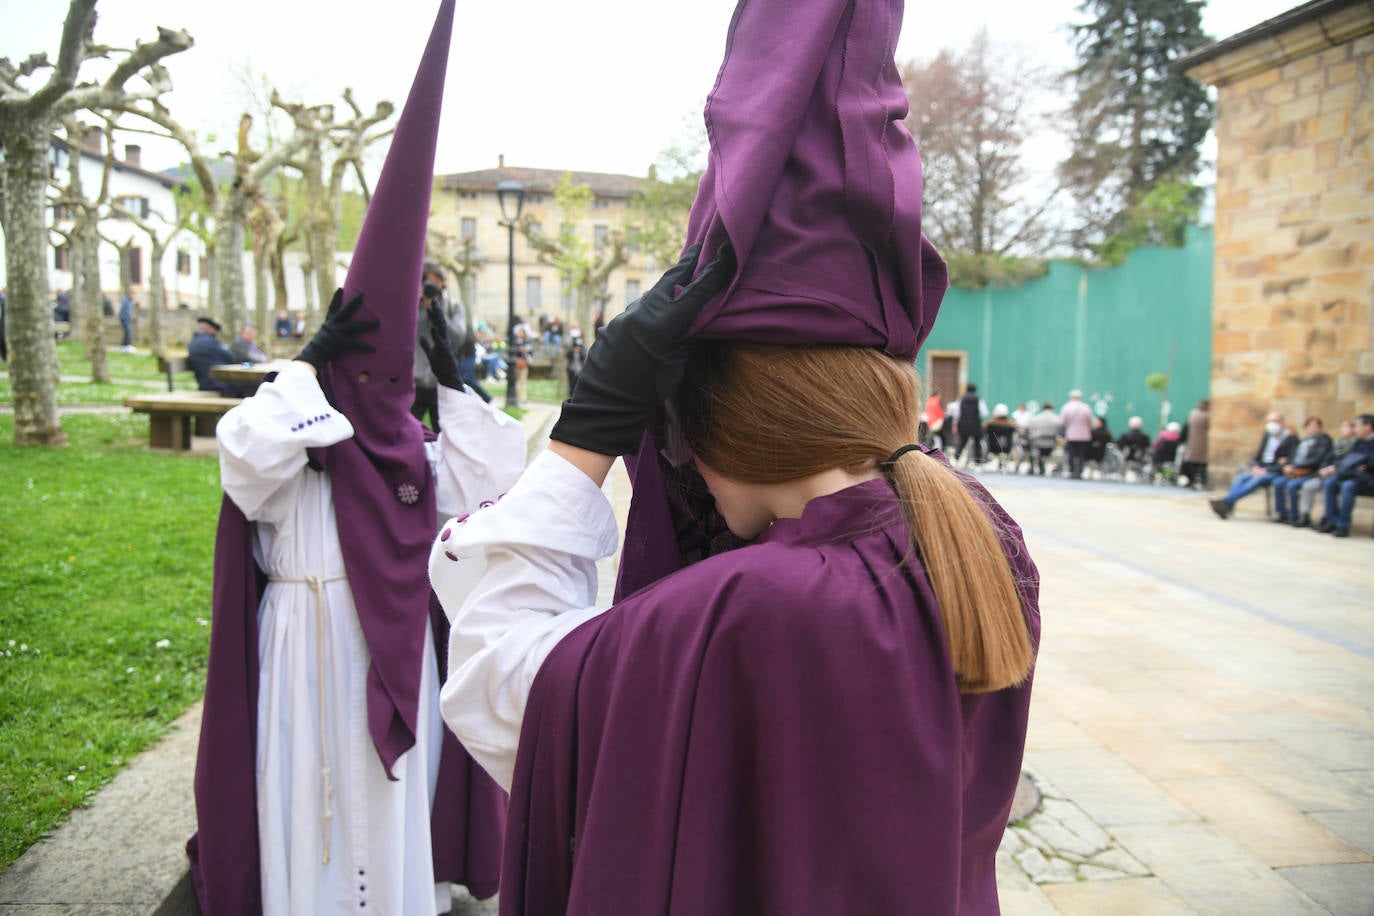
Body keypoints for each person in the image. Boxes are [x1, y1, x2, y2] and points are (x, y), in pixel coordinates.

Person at [433, 0, 1038, 908]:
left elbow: (501, 680)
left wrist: (583, 440)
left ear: (696, 418)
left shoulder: (746, 609)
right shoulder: (977, 532)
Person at [189, 4, 514, 910]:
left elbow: (494, 484)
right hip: (299, 646)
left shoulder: (416, 450)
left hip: (390, 651)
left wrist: (453, 380)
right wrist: (304, 363)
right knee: (307, 805)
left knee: (385, 806)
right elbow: (242, 459)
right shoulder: (303, 440)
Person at [1209, 411, 1297, 519]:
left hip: (1275, 472)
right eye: (1269, 421)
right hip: (1261, 469)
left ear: (1282, 422)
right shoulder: (1267, 436)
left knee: (1256, 481)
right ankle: (1228, 507)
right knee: (1240, 478)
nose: (1271, 424)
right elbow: (1258, 456)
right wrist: (1255, 466)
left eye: (1275, 421)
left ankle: (1226, 502)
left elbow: (1290, 462)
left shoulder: (1290, 439)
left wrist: (1268, 470)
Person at [412, 262, 467, 430]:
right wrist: (418, 305)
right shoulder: (412, 305)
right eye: (427, 282)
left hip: (442, 386)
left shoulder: (453, 306)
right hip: (413, 383)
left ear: (442, 283)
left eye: (435, 282)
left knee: (446, 436)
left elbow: (458, 337)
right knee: (405, 434)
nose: (431, 286)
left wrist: (437, 311)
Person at [1314, 414, 1374, 537]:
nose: (1356, 429)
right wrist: (1335, 467)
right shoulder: (1358, 442)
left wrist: (1365, 466)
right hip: (1353, 474)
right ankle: (1331, 521)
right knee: (1329, 482)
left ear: (1368, 427)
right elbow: (1349, 459)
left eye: (1358, 425)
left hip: (1368, 480)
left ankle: (1343, 525)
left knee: (1348, 486)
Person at [1273, 417, 1333, 525]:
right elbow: (1294, 456)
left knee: (1292, 485)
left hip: (1310, 472)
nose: (1313, 428)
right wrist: (1288, 465)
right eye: (1310, 426)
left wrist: (1296, 466)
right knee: (1278, 482)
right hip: (1296, 470)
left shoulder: (1323, 440)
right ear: (1306, 428)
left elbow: (1316, 459)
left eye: (1316, 426)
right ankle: (1282, 513)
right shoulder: (1303, 441)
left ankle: (1295, 515)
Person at [187, 316, 246, 396]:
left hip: (205, 383)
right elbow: (231, 357)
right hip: (218, 384)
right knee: (246, 388)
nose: (215, 333)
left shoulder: (193, 342)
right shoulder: (211, 342)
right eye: (215, 330)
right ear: (209, 329)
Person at [1059, 389, 1094, 479]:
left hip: (1071, 435)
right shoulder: (1086, 407)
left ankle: (1072, 470)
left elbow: (1062, 422)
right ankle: (1080, 471)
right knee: (1081, 454)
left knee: (1072, 454)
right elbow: (1091, 422)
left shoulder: (1066, 407)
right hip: (1084, 435)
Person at [952, 383, 988, 466]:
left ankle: (956, 460)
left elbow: (956, 413)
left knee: (961, 442)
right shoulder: (979, 399)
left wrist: (956, 424)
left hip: (963, 424)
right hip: (975, 424)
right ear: (975, 390)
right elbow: (984, 413)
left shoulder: (961, 399)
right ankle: (977, 463)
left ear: (966, 389)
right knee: (977, 443)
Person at [1180, 398, 1210, 489]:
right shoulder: (1208, 416)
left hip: (1192, 442)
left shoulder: (1193, 414)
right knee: (1202, 463)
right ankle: (1202, 480)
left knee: (1190, 462)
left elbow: (1185, 428)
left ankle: (1191, 480)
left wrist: (1182, 440)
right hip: (1204, 442)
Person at [1027, 401, 1060, 475]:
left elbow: (1030, 430)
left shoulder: (1037, 418)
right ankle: (1041, 465)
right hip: (1051, 443)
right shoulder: (1057, 419)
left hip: (1038, 443)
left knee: (1031, 445)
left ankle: (1032, 467)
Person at [984, 403, 1017, 471]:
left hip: (993, 448)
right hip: (1007, 448)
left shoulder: (990, 425)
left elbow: (982, 430)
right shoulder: (1010, 425)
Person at [564, 332, 586, 396]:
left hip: (580, 369)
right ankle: (571, 396)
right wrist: (572, 350)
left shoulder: (582, 347)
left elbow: (584, 355)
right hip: (572, 370)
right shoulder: (571, 349)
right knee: (571, 384)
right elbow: (567, 355)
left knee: (578, 384)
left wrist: (579, 351)